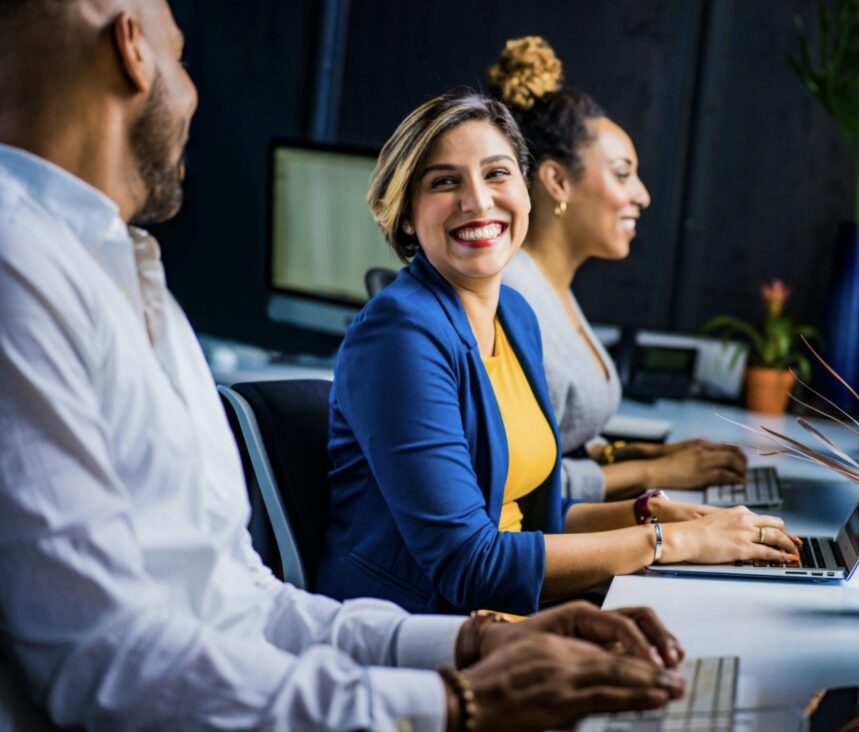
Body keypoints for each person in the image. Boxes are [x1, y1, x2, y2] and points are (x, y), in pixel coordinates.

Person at [0, 1, 689, 730]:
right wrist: (460, 699)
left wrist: (473, 645)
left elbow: (244, 603)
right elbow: (108, 668)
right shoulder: (22, 270)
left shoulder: (126, 274)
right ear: (133, 50)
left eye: (495, 174)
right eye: (183, 55)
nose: (195, 92)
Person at [319, 89, 801, 618]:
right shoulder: (399, 336)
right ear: (408, 215)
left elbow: (533, 520)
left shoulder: (516, 315)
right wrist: (671, 542)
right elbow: (469, 564)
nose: (478, 201)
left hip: (510, 616)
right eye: (445, 181)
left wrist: (652, 514)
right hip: (421, 633)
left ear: (526, 192)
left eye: (497, 174)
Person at [494, 36, 750, 503]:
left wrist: (643, 455)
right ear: (557, 180)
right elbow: (521, 486)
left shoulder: (553, 288)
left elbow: (560, 441)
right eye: (621, 173)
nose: (642, 195)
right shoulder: (514, 299)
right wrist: (655, 472)